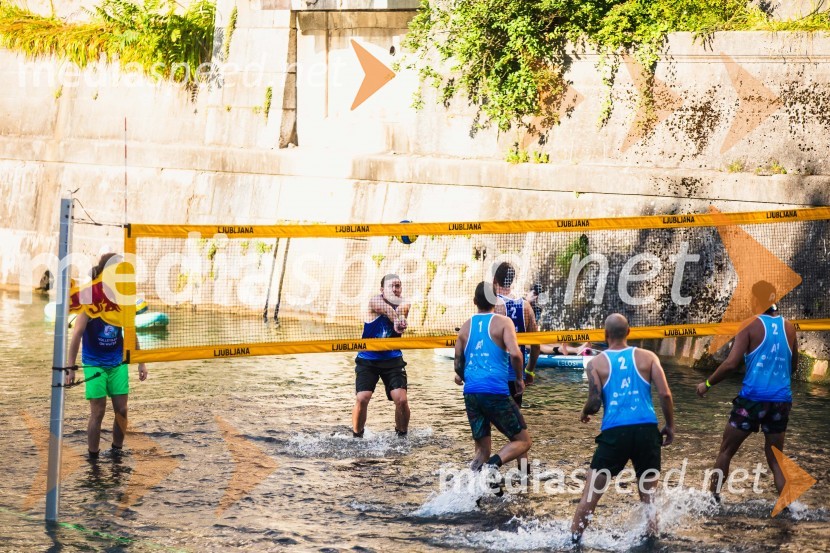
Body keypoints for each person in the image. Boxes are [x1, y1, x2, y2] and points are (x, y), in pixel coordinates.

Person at [571, 313, 675, 543]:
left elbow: (595, 403)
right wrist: (670, 425)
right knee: (649, 498)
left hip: (615, 433)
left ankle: (573, 541)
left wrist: (584, 412)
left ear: (605, 334)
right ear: (629, 332)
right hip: (647, 430)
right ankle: (653, 541)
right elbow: (665, 394)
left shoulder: (595, 363)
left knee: (590, 496)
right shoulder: (649, 357)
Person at [695, 281, 797, 501]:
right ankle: (790, 508)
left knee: (726, 451)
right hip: (781, 401)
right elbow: (793, 366)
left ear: (755, 301)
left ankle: (712, 500)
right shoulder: (789, 328)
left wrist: (707, 384)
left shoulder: (749, 324)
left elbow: (731, 364)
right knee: (776, 460)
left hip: (752, 399)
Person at [66, 253, 148, 459]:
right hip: (94, 363)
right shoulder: (89, 299)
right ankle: (93, 457)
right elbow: (77, 334)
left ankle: (117, 452)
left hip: (117, 361)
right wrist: (70, 367)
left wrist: (141, 362)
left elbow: (130, 331)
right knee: (98, 411)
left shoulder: (123, 299)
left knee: (122, 410)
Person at [454, 281, 532, 478]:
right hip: (495, 391)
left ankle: (469, 488)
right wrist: (519, 379)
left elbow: (457, 363)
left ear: (474, 301)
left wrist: (466, 377)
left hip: (471, 393)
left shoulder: (465, 328)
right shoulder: (504, 322)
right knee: (523, 441)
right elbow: (516, 354)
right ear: (495, 300)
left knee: (482, 451)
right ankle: (492, 466)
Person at [352, 274, 411, 438]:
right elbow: (386, 309)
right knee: (362, 398)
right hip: (367, 359)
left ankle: (402, 436)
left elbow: (402, 310)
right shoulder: (375, 301)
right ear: (382, 290)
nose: (395, 289)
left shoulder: (405, 302)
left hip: (393, 359)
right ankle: (357, 436)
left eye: (398, 286)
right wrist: (397, 320)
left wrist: (401, 318)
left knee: (401, 400)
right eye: (391, 286)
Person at [492, 262, 539, 402]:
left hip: (495, 373)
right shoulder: (526, 306)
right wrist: (529, 371)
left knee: (493, 414)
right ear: (512, 280)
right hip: (516, 373)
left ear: (494, 279)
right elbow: (536, 345)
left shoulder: (492, 305)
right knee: (514, 415)